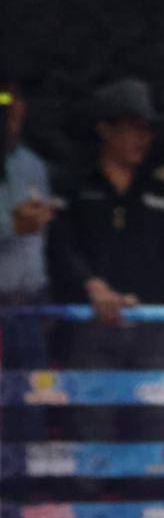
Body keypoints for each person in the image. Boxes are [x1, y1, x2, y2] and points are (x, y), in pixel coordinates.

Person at [46, 79, 164, 438]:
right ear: (105, 130)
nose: (143, 138)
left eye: (147, 129)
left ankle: (153, 494)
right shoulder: (75, 189)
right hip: (92, 323)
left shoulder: (162, 194)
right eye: (134, 128)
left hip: (152, 326)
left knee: (153, 424)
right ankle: (85, 493)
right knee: (90, 423)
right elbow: (60, 248)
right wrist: (92, 287)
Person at [0, 75, 54, 380]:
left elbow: (41, 238)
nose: (12, 107)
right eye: (3, 99)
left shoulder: (32, 165)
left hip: (29, 308)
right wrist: (11, 225)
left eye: (17, 99)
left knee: (33, 401)